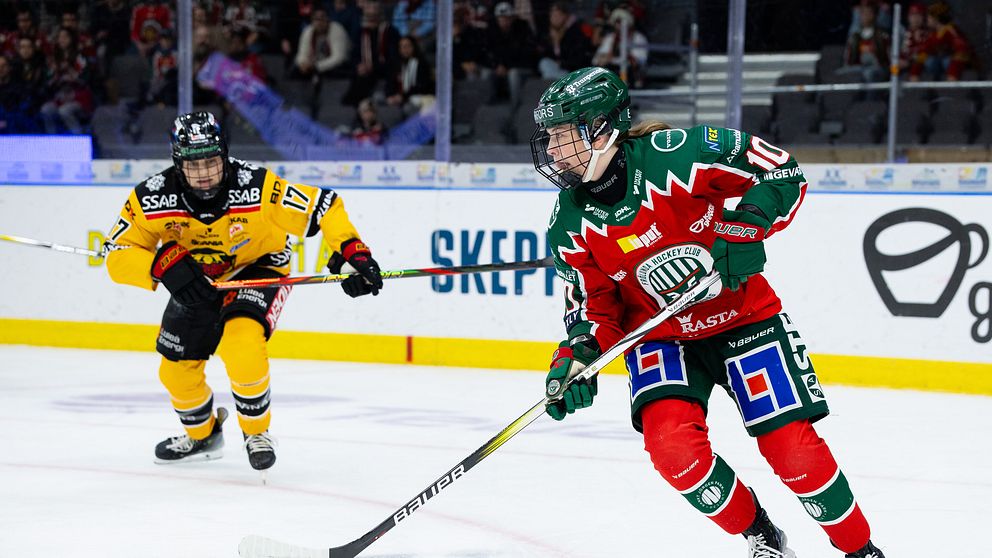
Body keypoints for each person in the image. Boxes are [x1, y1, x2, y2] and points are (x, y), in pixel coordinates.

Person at [532, 67, 886, 558]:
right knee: (674, 452)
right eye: (549, 137)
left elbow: (781, 170)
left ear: (601, 129)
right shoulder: (567, 223)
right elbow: (595, 309)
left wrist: (747, 227)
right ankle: (761, 533)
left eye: (561, 136)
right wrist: (578, 356)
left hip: (744, 318)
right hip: (661, 338)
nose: (551, 151)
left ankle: (861, 551)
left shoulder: (680, 155)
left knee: (793, 452)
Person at [103, 112, 384, 472]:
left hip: (258, 267)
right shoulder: (151, 197)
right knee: (175, 372)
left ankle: (257, 433)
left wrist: (351, 252)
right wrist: (160, 265)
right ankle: (203, 436)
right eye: (193, 164)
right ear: (177, 162)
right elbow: (117, 254)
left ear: (224, 154)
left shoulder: (257, 186)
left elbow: (324, 207)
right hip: (198, 279)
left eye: (210, 161)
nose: (204, 173)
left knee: (242, 345)